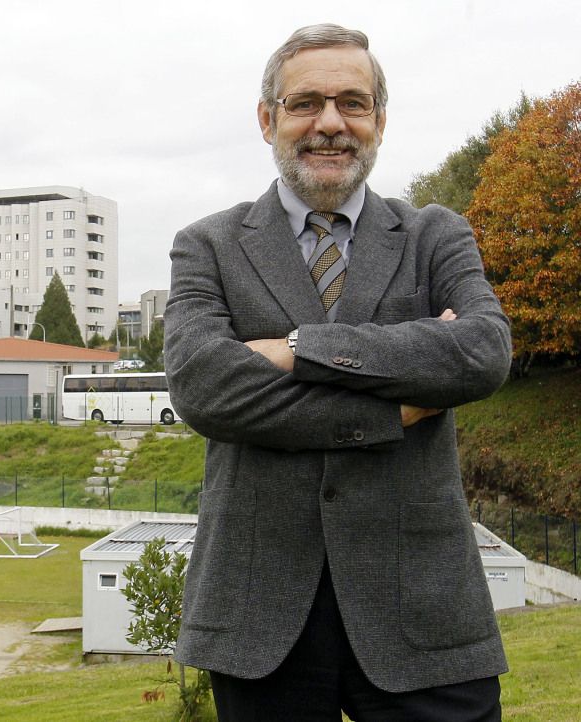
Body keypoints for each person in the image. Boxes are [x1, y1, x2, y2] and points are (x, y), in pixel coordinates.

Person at [163, 24, 511, 721]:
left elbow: (479, 352)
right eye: (305, 104)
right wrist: (390, 407)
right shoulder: (208, 244)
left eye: (352, 102)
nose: (330, 124)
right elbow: (205, 387)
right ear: (268, 119)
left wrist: (296, 347)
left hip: (425, 606)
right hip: (264, 614)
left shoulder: (435, 234)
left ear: (379, 119)